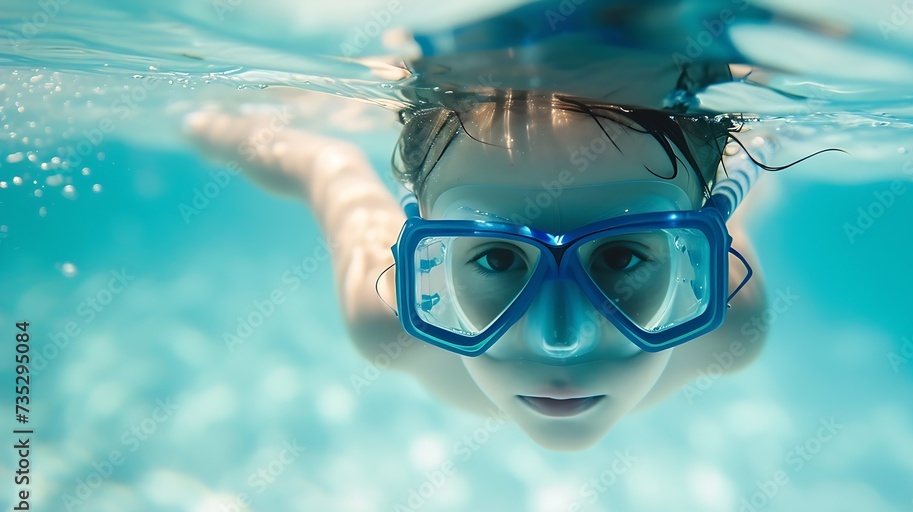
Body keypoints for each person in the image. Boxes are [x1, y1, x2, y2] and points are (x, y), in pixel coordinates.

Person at [186, 85, 775, 452]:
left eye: (622, 256)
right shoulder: (388, 320)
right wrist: (211, 123)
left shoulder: (730, 318)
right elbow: (323, 164)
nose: (559, 340)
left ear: (698, 264)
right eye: (495, 257)